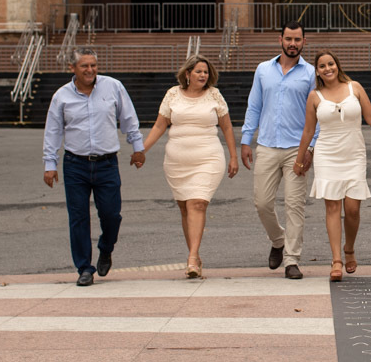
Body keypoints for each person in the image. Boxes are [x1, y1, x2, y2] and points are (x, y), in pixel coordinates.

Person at [41, 48, 145, 286]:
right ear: (73, 69)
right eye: (85, 66)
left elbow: (128, 118)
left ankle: (106, 248)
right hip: (75, 164)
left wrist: (137, 147)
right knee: (78, 217)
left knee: (111, 214)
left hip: (107, 163)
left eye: (94, 66)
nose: (90, 70)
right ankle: (84, 268)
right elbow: (54, 131)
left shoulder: (113, 87)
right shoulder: (62, 96)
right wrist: (50, 163)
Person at [293, 51, 371, 281]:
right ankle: (336, 259)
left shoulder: (355, 88)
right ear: (317, 71)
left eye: (330, 64)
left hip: (354, 153)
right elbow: (308, 130)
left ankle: (349, 247)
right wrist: (300, 159)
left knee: (352, 208)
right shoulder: (315, 96)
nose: (327, 68)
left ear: (337, 66)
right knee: (332, 208)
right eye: (322, 66)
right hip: (327, 154)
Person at [142, 55, 239, 279]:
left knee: (198, 203)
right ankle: (194, 255)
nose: (203, 75)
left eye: (205, 72)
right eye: (198, 71)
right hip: (177, 161)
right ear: (187, 74)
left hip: (208, 157)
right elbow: (159, 125)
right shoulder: (172, 94)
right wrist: (142, 150)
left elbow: (226, 127)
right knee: (185, 208)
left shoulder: (214, 95)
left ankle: (192, 257)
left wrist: (233, 157)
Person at [240, 22, 317, 279]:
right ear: (280, 40)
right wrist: (246, 140)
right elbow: (254, 106)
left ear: (304, 42)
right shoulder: (263, 70)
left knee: (295, 205)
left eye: (297, 39)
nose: (292, 44)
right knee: (262, 203)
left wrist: (311, 148)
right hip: (267, 146)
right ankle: (278, 240)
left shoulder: (310, 73)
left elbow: (317, 114)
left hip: (298, 148)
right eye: (288, 39)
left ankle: (292, 260)